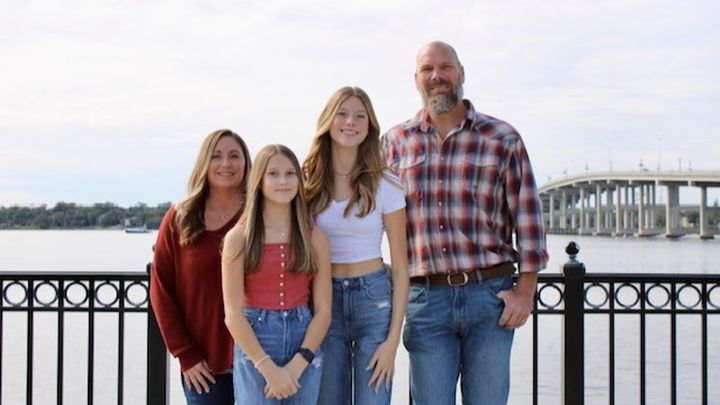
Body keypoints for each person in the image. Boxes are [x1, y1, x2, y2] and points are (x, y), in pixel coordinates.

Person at [381, 41, 549, 405]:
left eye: (445, 67)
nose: (436, 76)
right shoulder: (395, 142)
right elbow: (369, 214)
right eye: (427, 69)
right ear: (416, 79)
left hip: (489, 297)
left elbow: (529, 219)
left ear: (461, 74)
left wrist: (525, 291)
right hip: (425, 300)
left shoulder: (501, 137)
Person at [303, 87, 409, 405]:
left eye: (360, 116)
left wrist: (392, 343)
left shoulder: (387, 183)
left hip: (373, 299)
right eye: (343, 114)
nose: (351, 122)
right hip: (324, 301)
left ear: (370, 126)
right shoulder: (307, 182)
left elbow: (401, 268)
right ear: (328, 121)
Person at [221, 144, 332, 404]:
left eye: (290, 173)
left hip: (304, 339)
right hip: (255, 342)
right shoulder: (238, 238)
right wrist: (268, 369)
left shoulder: (315, 237)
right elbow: (233, 315)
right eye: (273, 174)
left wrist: (298, 363)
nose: (283, 181)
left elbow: (324, 310)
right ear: (259, 181)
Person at [150, 129, 251, 404]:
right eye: (216, 156)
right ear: (204, 163)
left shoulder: (259, 215)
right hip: (204, 368)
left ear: (246, 163)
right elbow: (161, 289)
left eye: (234, 156)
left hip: (258, 363)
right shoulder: (180, 218)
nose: (226, 164)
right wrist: (185, 354)